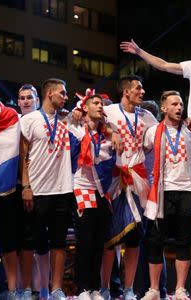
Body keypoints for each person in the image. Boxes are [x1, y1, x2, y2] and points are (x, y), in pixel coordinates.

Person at [97, 75, 158, 300]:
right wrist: (111, 131)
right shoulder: (110, 110)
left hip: (139, 181)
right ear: (126, 92)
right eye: (138, 89)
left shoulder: (147, 115)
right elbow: (92, 120)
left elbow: (161, 133)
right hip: (114, 179)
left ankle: (129, 289)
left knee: (134, 239)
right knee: (110, 238)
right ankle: (104, 287)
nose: (142, 92)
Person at [142, 91, 191, 300]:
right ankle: (155, 289)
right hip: (161, 192)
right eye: (174, 104)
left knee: (184, 241)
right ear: (164, 108)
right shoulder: (152, 131)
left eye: (181, 104)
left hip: (186, 191)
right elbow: (141, 153)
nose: (179, 108)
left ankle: (180, 289)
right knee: (156, 241)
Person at [20, 78, 72, 300]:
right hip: (37, 190)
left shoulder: (68, 119)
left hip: (62, 189)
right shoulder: (29, 120)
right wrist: (26, 186)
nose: (66, 97)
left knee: (59, 242)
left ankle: (57, 288)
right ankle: (41, 288)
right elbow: (24, 157)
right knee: (38, 243)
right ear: (50, 94)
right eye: (62, 93)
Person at [69, 90, 117, 300]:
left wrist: (112, 131)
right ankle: (81, 289)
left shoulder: (107, 135)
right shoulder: (77, 128)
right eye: (95, 103)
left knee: (99, 242)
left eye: (101, 104)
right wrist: (74, 113)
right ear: (85, 107)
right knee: (85, 241)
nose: (100, 106)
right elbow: (65, 121)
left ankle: (95, 287)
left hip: (102, 193)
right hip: (82, 189)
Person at [16, 84, 50, 300]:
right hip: (16, 188)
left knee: (42, 241)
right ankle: (23, 288)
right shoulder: (13, 122)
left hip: (44, 189)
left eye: (30, 97)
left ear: (37, 100)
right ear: (17, 102)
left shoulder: (47, 120)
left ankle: (44, 289)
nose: (26, 101)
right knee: (21, 241)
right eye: (22, 98)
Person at [0, 77, 21, 300]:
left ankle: (12, 290)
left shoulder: (10, 115)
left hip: (6, 188)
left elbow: (9, 149)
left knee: (9, 241)